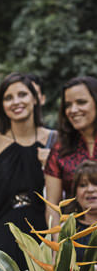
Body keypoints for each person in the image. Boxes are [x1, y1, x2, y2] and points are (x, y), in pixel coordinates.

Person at [0, 73, 51, 267]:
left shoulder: (53, 140)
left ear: (35, 98)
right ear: (2, 106)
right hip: (3, 231)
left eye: (22, 94)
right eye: (8, 98)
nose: (16, 102)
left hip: (43, 231)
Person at [44, 77, 97, 227]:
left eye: (81, 102)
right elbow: (52, 206)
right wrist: (57, 246)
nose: (73, 110)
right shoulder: (60, 150)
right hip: (76, 237)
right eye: (68, 105)